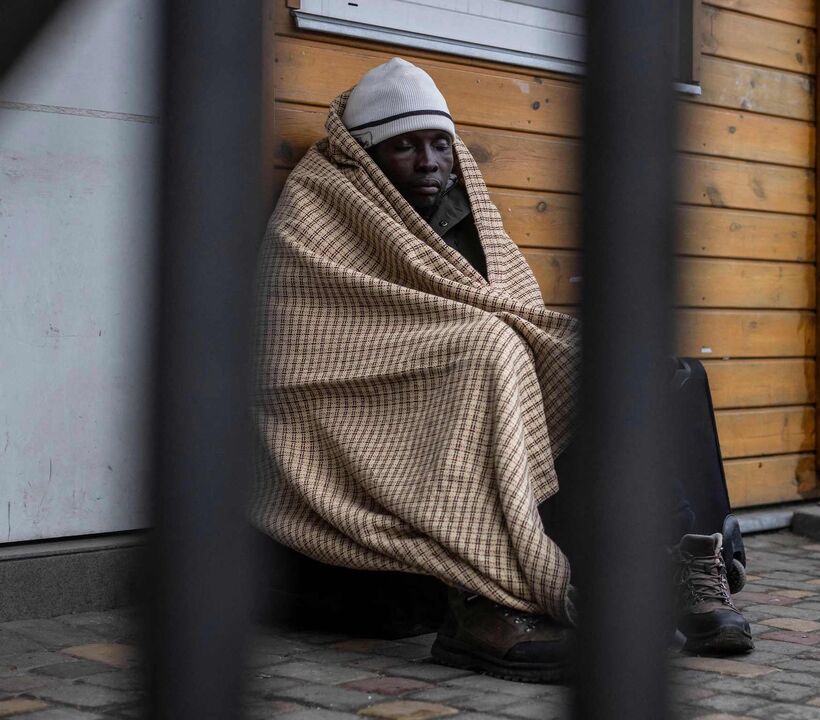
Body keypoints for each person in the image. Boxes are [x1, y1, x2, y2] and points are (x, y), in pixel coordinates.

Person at [254, 58, 751, 684]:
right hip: (366, 398)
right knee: (489, 351)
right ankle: (495, 594)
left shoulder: (469, 213)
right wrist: (470, 340)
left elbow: (514, 305)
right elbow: (304, 335)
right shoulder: (319, 207)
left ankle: (684, 568)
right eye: (405, 146)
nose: (430, 161)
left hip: (471, 365)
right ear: (369, 154)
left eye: (440, 143)